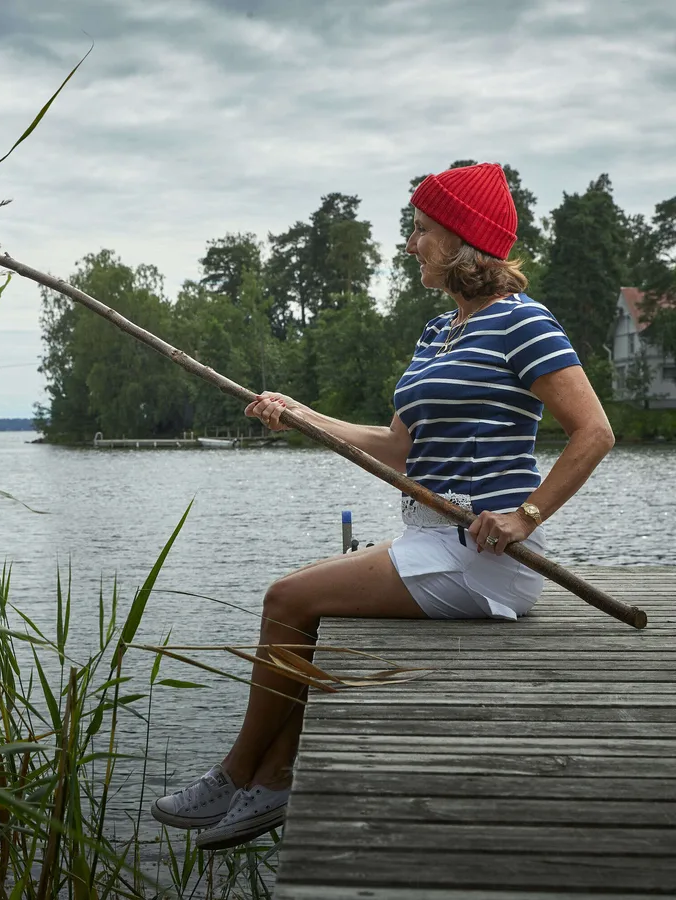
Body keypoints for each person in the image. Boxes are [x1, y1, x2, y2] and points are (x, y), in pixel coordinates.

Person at [150, 162, 615, 851]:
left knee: (287, 598)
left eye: (422, 229)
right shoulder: (438, 333)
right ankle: (276, 774)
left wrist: (527, 515)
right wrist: (300, 412)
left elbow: (595, 431)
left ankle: (237, 770)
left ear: (462, 238)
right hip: (428, 539)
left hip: (484, 555)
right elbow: (396, 448)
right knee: (310, 607)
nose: (410, 243)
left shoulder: (525, 323)